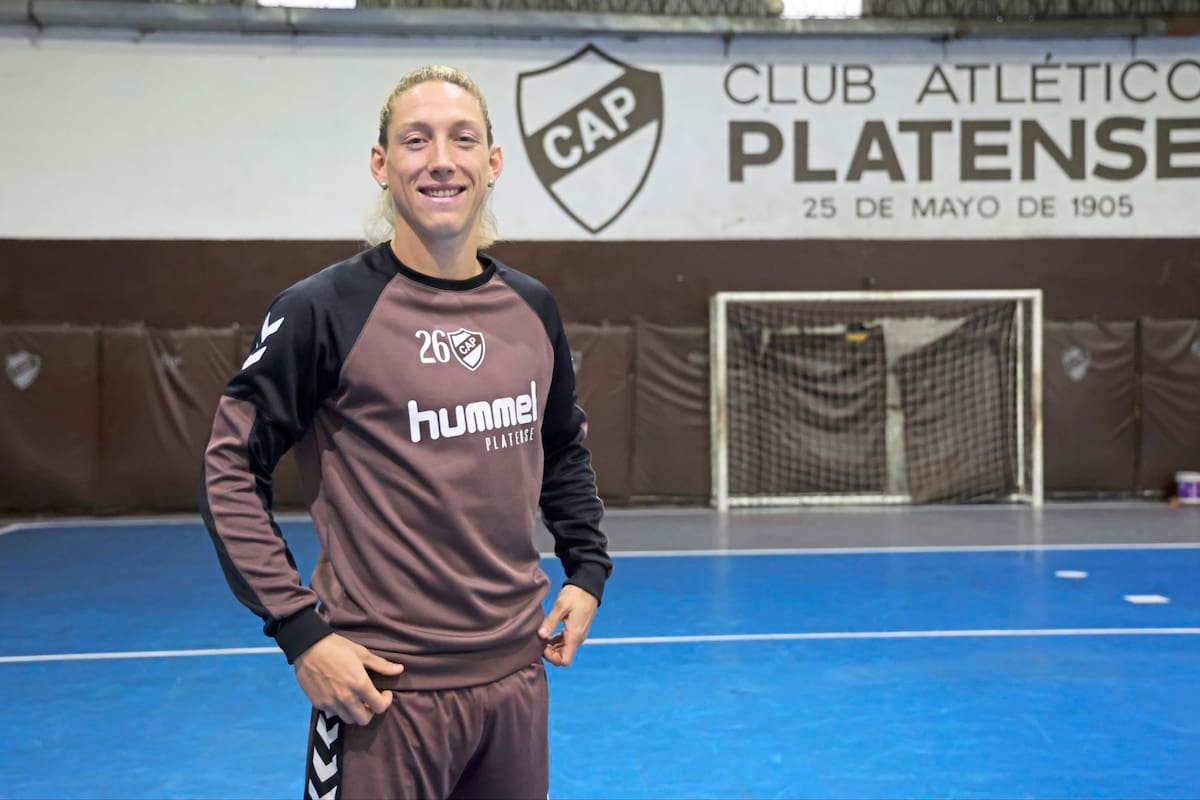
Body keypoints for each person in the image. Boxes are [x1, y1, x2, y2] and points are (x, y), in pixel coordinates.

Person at [199, 65, 613, 800]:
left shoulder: (532, 308)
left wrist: (586, 569)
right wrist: (301, 632)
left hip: (517, 686)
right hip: (382, 694)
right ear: (381, 165)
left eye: (462, 138)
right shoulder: (322, 311)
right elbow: (229, 468)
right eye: (415, 140)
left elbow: (562, 446)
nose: (440, 159)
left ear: (492, 163)